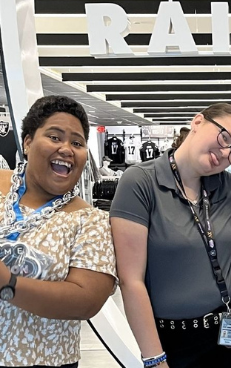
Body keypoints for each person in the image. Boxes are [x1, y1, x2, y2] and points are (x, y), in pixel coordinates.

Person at [110, 103, 231, 368]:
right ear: (198, 122)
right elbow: (130, 280)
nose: (225, 153)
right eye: (224, 137)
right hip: (178, 340)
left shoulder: (226, 185)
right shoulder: (141, 182)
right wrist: (154, 358)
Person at [0, 95, 117, 367]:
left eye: (77, 143)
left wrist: (9, 283)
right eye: (54, 137)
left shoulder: (89, 221)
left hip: (44, 360)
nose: (66, 148)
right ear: (27, 142)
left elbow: (86, 300)